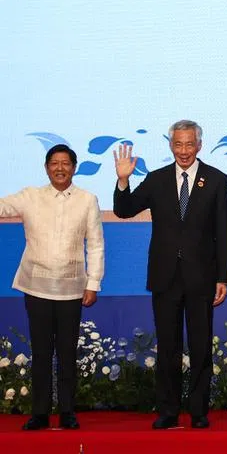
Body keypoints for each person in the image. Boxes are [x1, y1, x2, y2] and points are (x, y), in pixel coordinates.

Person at [113, 120, 227, 429]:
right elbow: (125, 210)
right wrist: (123, 180)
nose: (183, 151)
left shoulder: (217, 180)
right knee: (168, 346)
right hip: (165, 275)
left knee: (201, 345)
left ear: (199, 145)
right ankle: (167, 411)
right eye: (177, 144)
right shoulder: (156, 179)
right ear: (170, 145)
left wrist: (223, 277)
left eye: (188, 144)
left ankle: (198, 411)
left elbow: (223, 232)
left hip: (202, 276)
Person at [0, 144, 104, 431]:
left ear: (74, 167)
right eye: (54, 163)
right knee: (42, 353)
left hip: (72, 289)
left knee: (68, 353)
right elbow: (2, 207)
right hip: (36, 287)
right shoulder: (30, 196)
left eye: (66, 163)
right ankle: (40, 413)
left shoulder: (87, 200)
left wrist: (93, 283)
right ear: (47, 168)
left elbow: (95, 245)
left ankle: (68, 412)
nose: (60, 168)